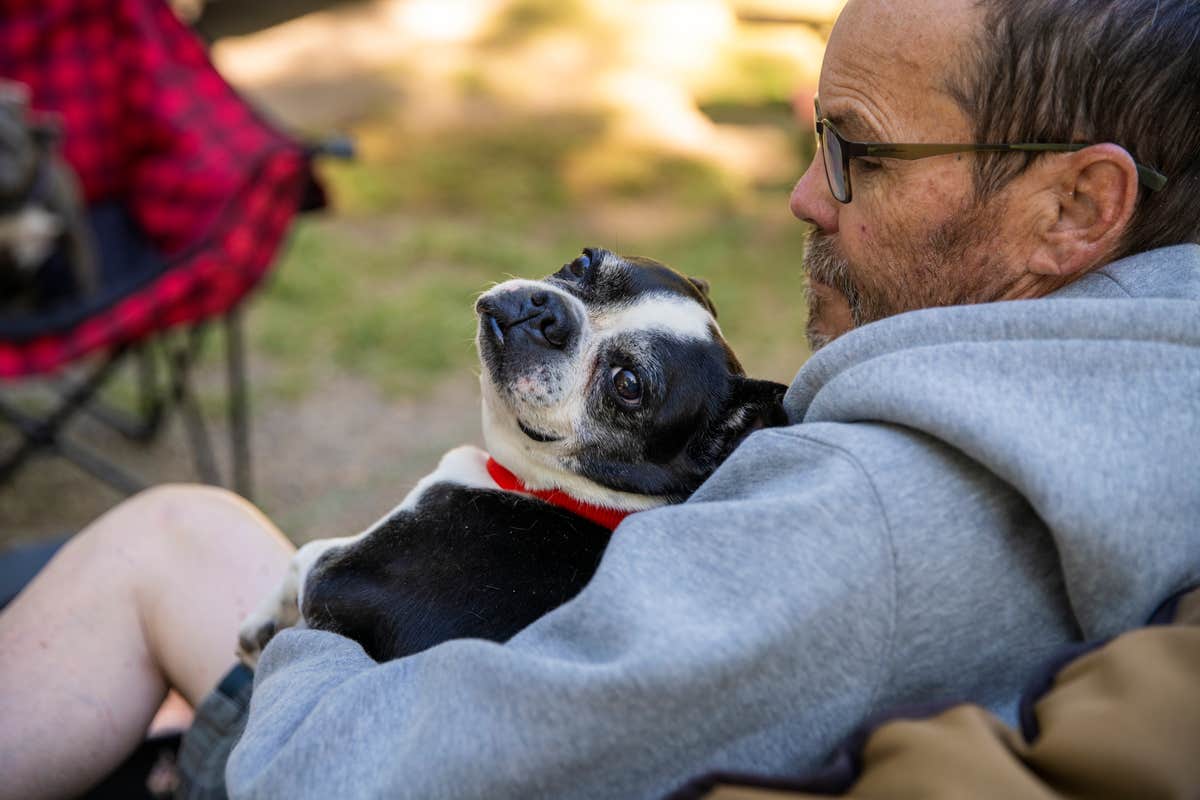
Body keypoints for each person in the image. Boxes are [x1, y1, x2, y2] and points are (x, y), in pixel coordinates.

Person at [2, 0, 1199, 797]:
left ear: (1076, 207)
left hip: (339, 742)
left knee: (173, 537)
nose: (801, 194)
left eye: (858, 152)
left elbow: (329, 776)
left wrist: (316, 623)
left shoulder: (858, 525)